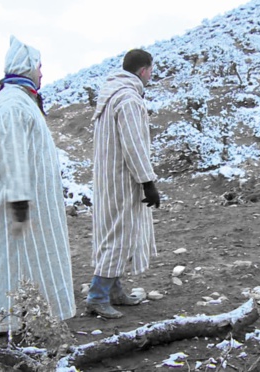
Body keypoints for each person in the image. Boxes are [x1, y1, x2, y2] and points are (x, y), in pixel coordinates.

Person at [0, 36, 76, 340]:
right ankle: (0, 329)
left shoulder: (21, 99)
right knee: (10, 264)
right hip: (18, 205)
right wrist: (19, 201)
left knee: (31, 262)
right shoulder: (11, 104)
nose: (42, 73)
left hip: (31, 203)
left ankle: (29, 324)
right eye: (39, 66)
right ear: (26, 67)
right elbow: (12, 152)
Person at [86, 49, 160, 318]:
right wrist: (148, 181)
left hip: (108, 178)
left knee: (115, 232)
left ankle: (115, 290)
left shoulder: (111, 96)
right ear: (143, 70)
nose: (152, 74)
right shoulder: (128, 99)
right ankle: (97, 295)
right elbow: (134, 145)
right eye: (151, 69)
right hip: (122, 178)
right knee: (120, 233)